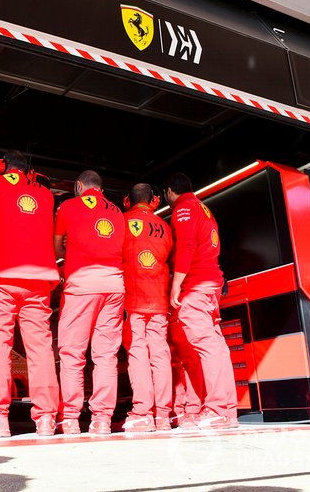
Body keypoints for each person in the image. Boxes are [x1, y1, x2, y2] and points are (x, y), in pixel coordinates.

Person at [0, 150, 60, 437]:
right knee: (39, 350)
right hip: (39, 280)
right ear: (30, 171)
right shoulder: (46, 195)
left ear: (1, 166)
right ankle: (47, 418)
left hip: (0, 277)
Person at [53, 170, 125, 435]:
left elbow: (57, 248)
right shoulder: (118, 212)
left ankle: (71, 418)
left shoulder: (68, 206)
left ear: (79, 185)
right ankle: (102, 420)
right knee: (106, 355)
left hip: (81, 285)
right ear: (101, 189)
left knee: (72, 353)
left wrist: (72, 252)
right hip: (114, 286)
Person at [164, 172, 237, 429]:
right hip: (212, 284)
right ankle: (227, 410)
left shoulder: (183, 209)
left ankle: (216, 408)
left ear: (169, 192)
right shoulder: (204, 208)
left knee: (206, 346)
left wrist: (176, 285)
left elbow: (186, 247)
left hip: (195, 284)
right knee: (216, 346)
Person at [120, 183, 173, 432]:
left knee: (138, 353)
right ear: (153, 201)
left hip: (133, 298)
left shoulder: (121, 222)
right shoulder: (165, 226)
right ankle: (163, 414)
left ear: (127, 201)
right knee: (160, 353)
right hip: (159, 298)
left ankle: (142, 412)